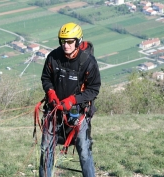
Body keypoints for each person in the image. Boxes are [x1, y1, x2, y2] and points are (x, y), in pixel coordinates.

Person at [39, 22, 101, 177]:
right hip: (54, 111)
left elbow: (93, 89)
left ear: (78, 41)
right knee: (46, 150)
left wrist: (73, 100)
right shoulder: (53, 57)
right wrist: (51, 92)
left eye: (69, 42)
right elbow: (46, 78)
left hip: (78, 113)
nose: (65, 45)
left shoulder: (88, 62)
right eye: (63, 41)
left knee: (84, 152)